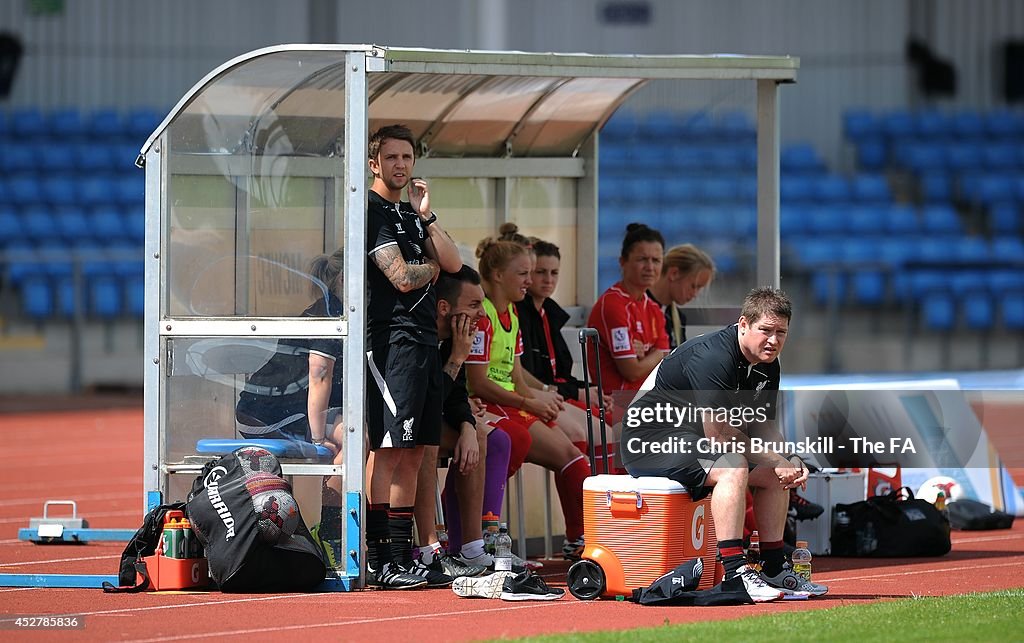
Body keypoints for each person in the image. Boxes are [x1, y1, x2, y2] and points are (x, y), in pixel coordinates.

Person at [622, 287, 828, 601]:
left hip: (691, 442)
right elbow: (718, 434)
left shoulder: (767, 362)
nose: (773, 340)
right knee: (733, 465)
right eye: (766, 331)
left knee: (775, 476)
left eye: (781, 333)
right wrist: (775, 459)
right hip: (650, 441)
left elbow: (763, 424)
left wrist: (789, 459)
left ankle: (773, 568)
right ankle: (736, 574)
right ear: (743, 324)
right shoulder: (714, 355)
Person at [364, 124, 463, 589]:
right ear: (374, 163)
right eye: (392, 157)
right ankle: (379, 558)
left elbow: (455, 262)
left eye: (407, 157)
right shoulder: (371, 210)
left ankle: (403, 557)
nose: (401, 165)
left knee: (416, 452)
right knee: (389, 450)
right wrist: (432, 269)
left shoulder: (408, 214)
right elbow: (402, 278)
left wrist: (427, 217)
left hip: (422, 341)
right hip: (392, 342)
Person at [466, 237, 591, 561]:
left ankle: (590, 538)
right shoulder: (485, 316)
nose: (530, 281)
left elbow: (517, 377)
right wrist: (529, 403)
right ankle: (477, 538)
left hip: (508, 400)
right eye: (524, 273)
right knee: (514, 442)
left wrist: (541, 398)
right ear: (497, 275)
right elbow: (477, 382)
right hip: (490, 402)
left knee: (575, 453)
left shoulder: (511, 314)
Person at [234, 250, 347, 565]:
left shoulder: (346, 312)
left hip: (291, 409)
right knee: (353, 439)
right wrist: (315, 438)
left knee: (358, 429)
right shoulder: (328, 315)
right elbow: (319, 375)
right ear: (342, 280)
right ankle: (332, 535)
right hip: (266, 415)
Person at [410, 266, 515, 579]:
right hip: (395, 424)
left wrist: (468, 427)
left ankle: (471, 547)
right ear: (444, 308)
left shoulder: (455, 335)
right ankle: (428, 549)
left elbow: (454, 396)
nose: (482, 314)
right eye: (473, 306)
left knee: (486, 436)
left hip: (423, 417)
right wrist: (456, 358)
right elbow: (424, 405)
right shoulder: (422, 335)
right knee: (427, 439)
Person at [516, 235, 619, 472]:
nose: (548, 280)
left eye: (554, 273)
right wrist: (579, 392)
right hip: (540, 397)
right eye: (541, 272)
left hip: (558, 393)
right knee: (598, 430)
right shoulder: (519, 313)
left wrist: (586, 389)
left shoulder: (550, 313)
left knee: (616, 424)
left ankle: (613, 501)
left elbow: (560, 374)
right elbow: (536, 378)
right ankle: (595, 504)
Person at [586, 222, 669, 393]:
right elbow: (632, 371)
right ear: (623, 262)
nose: (650, 267)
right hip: (619, 403)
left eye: (656, 260)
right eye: (642, 260)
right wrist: (657, 354)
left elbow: (668, 360)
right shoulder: (613, 304)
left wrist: (654, 355)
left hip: (648, 399)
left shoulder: (653, 308)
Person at [646, 243, 715, 350]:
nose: (695, 294)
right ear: (674, 273)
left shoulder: (678, 318)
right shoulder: (637, 307)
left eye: (699, 288)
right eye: (694, 286)